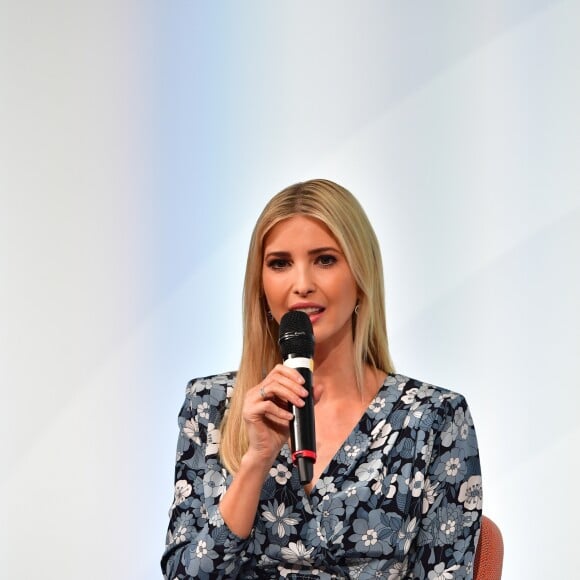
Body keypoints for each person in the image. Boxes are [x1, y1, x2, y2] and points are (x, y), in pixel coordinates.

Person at [161, 179, 482, 579]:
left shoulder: (432, 418)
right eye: (279, 263)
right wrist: (255, 461)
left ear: (361, 275)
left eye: (325, 260)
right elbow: (184, 575)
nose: (302, 284)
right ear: (260, 286)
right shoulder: (211, 405)